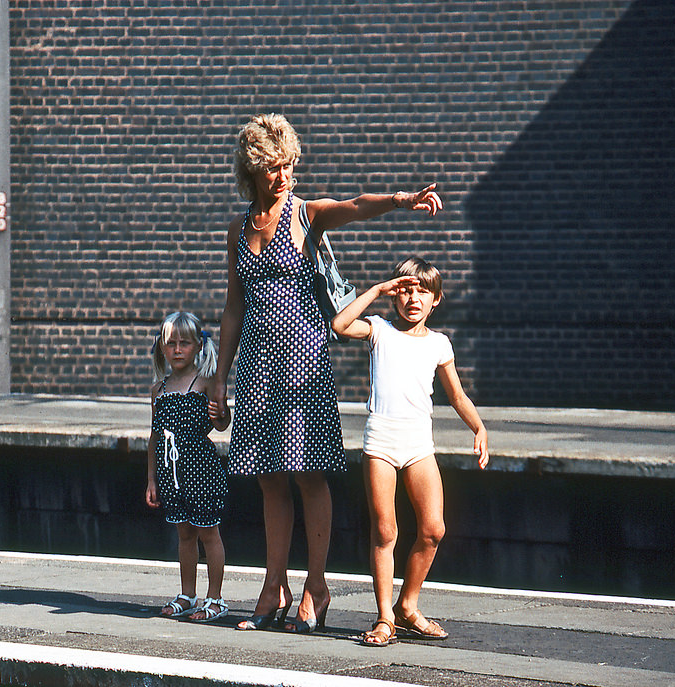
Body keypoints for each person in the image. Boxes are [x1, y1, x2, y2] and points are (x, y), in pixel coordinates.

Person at [209, 113, 444, 633]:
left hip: (303, 365)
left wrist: (401, 201)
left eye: (289, 164)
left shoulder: (304, 214)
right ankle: (275, 585)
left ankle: (317, 584)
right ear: (253, 171)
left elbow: (355, 207)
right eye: (273, 167)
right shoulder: (238, 228)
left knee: (309, 477)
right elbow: (232, 308)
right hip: (255, 369)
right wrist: (220, 378)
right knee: (269, 481)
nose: (285, 174)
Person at [330, 257, 489, 647]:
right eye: (405, 290)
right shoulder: (380, 330)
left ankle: (408, 605)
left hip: (419, 445)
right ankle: (385, 618)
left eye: (422, 292)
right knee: (385, 532)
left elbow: (456, 395)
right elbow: (339, 324)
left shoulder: (439, 343)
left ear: (436, 300)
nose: (413, 298)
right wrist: (377, 290)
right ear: (395, 296)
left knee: (433, 529)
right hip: (381, 442)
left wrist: (479, 426)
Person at [146, 311, 231, 622]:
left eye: (184, 343)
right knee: (184, 534)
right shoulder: (159, 390)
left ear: (198, 346)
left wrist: (220, 411)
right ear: (162, 348)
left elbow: (221, 424)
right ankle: (188, 594)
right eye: (171, 344)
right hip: (172, 474)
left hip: (201, 469)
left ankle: (216, 597)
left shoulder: (205, 382)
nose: (177, 350)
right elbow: (155, 436)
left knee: (209, 533)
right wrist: (152, 479)